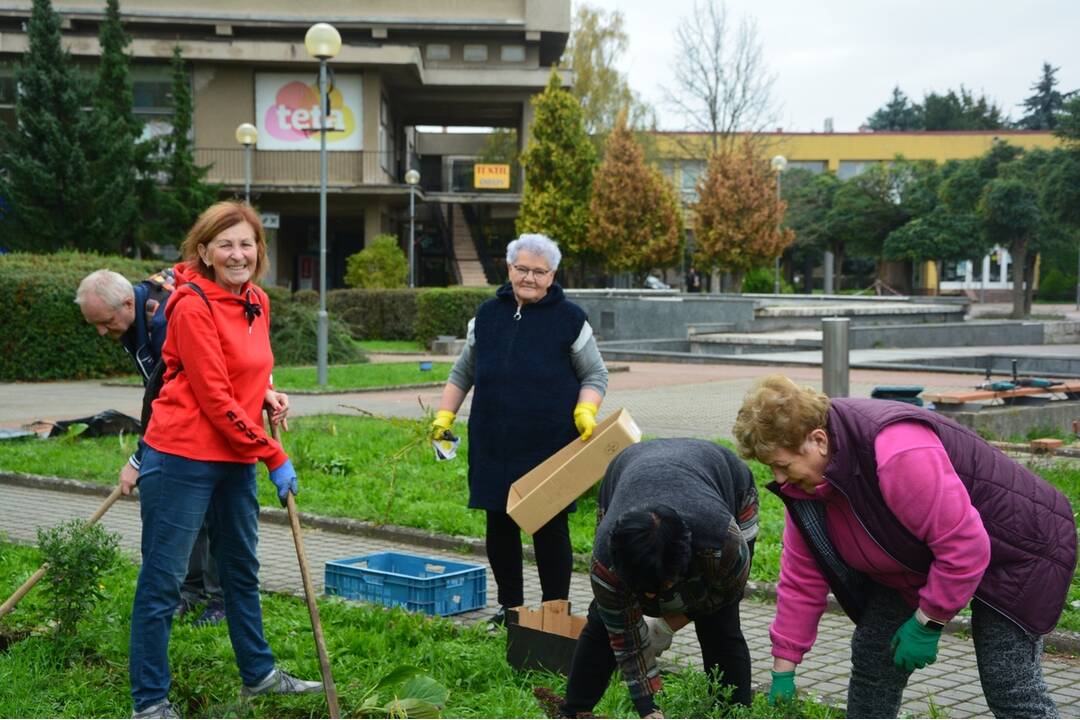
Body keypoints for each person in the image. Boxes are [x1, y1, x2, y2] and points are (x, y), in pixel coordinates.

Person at [732, 375, 1077, 718]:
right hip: (923, 559)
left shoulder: (897, 449)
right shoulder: (807, 488)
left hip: (1021, 549)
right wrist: (784, 668)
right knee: (873, 658)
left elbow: (965, 547)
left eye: (782, 464)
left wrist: (928, 621)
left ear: (818, 441)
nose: (778, 478)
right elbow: (802, 579)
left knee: (1008, 683)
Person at [128, 201, 317, 719]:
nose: (238, 254)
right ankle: (149, 702)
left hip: (235, 455)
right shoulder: (190, 305)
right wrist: (273, 453)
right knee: (164, 581)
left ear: (260, 251)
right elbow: (212, 397)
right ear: (204, 251)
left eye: (247, 244)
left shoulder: (255, 298)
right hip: (182, 455)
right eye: (226, 245)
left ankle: (258, 676)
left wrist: (268, 394)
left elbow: (251, 367)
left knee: (239, 570)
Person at [430, 233, 609, 626]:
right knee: (500, 525)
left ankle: (553, 613)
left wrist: (586, 410)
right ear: (509, 269)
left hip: (548, 443)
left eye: (539, 271)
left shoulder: (570, 320)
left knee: (549, 529)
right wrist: (444, 418)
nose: (529, 277)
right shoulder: (487, 316)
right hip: (493, 441)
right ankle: (510, 609)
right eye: (522, 269)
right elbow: (463, 372)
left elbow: (595, 374)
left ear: (553, 275)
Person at [543, 439, 758, 719]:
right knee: (605, 620)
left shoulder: (723, 544)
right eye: (643, 591)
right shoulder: (606, 559)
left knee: (720, 623)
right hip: (627, 469)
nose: (651, 600)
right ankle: (572, 713)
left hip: (728, 480)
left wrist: (668, 624)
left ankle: (733, 714)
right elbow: (625, 638)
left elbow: (726, 592)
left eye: (660, 588)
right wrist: (649, 708)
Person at [76, 267, 227, 626]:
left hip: (218, 421)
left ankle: (222, 600)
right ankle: (191, 592)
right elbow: (156, 395)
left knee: (217, 511)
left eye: (105, 321)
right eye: (95, 323)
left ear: (128, 302)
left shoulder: (166, 321)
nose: (101, 331)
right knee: (185, 505)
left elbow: (168, 398)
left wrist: (139, 458)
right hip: (184, 421)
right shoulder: (133, 319)